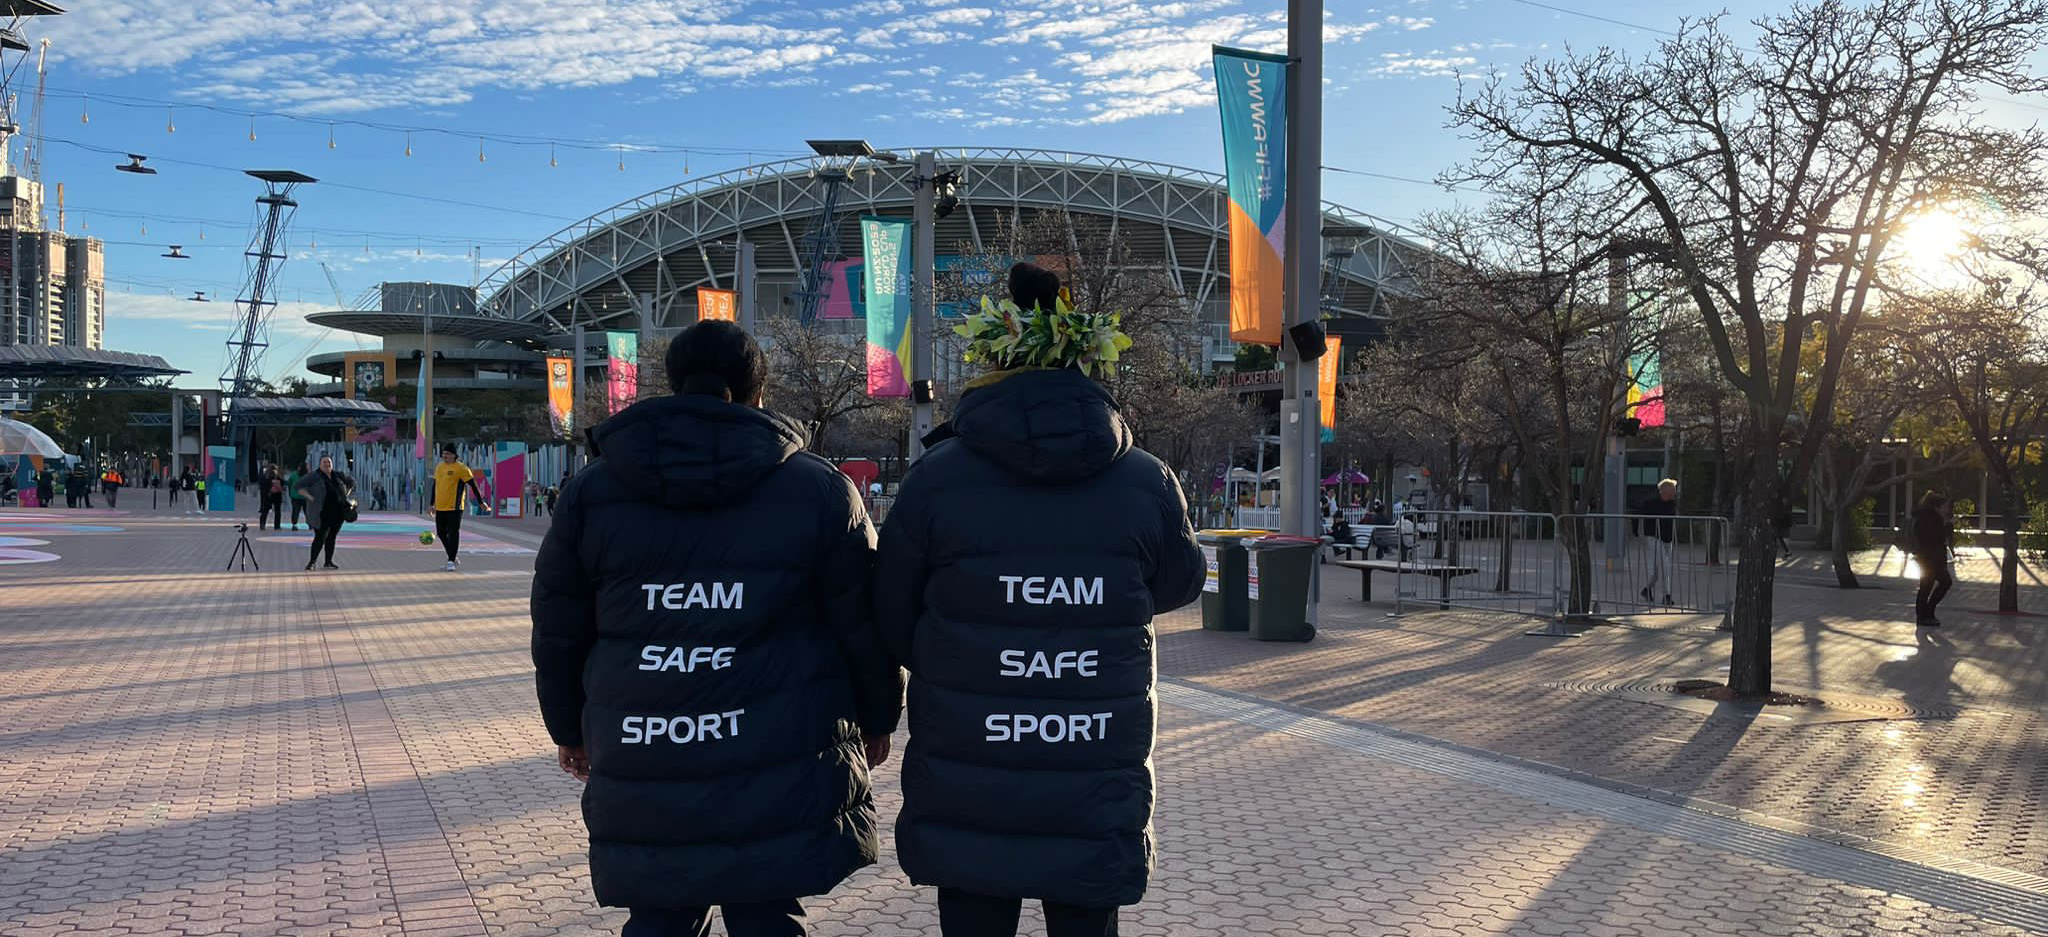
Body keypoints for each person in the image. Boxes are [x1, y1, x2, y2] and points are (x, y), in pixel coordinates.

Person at [530, 319, 901, 937]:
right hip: (780, 742)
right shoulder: (819, 491)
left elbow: (559, 624)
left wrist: (569, 727)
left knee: (662, 909)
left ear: (673, 386)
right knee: (766, 907)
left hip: (644, 738)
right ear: (758, 393)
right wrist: (878, 715)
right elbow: (863, 622)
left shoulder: (593, 493)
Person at [875, 263, 1205, 937]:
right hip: (1092, 771)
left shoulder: (936, 479)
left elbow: (892, 610)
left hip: (971, 770)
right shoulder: (1144, 481)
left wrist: (960, 656)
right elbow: (1180, 581)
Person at [431, 445, 491, 571]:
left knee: (453, 533)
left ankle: (451, 561)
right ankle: (452, 556)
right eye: (443, 454)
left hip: (455, 507)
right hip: (440, 506)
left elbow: (473, 485)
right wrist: (432, 504)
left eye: (447, 454)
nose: (444, 456)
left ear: (453, 455)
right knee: (441, 533)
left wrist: (481, 502)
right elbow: (435, 485)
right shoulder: (440, 467)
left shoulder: (462, 468)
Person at [294, 456, 353, 570]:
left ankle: (328, 561)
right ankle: (312, 562)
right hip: (321, 513)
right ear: (320, 464)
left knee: (332, 537)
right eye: (324, 462)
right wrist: (310, 497)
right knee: (320, 538)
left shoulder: (338, 475)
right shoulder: (314, 476)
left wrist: (346, 495)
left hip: (338, 513)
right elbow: (298, 485)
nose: (327, 464)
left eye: (329, 462)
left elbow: (351, 482)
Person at [1911, 492, 1955, 627]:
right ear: (1936, 507)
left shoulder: (1928, 517)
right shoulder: (1928, 518)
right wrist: (1948, 526)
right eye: (1944, 507)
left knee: (1939, 583)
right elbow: (1934, 536)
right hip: (1928, 557)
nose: (1946, 510)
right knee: (1927, 585)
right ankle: (1924, 615)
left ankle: (1927, 612)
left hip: (1932, 557)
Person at [1638, 478, 1679, 606]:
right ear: (1664, 491)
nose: (1674, 493)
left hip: (1667, 538)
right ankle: (1666, 595)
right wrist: (1637, 532)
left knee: (1655, 572)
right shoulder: (1650, 503)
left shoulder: (1672, 504)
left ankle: (1647, 589)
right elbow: (1637, 514)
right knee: (1665, 566)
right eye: (1672, 490)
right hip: (1654, 538)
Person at [258, 463, 287, 530]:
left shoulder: (265, 477)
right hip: (277, 495)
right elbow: (282, 483)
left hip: (267, 495)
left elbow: (262, 485)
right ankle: (277, 525)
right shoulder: (277, 477)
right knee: (277, 511)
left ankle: (262, 524)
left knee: (265, 510)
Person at [286, 464, 307, 530]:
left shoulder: (294, 474)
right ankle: (310, 524)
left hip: (295, 496)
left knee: (295, 511)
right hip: (305, 496)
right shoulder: (308, 475)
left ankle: (294, 525)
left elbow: (289, 483)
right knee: (307, 511)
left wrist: (290, 493)